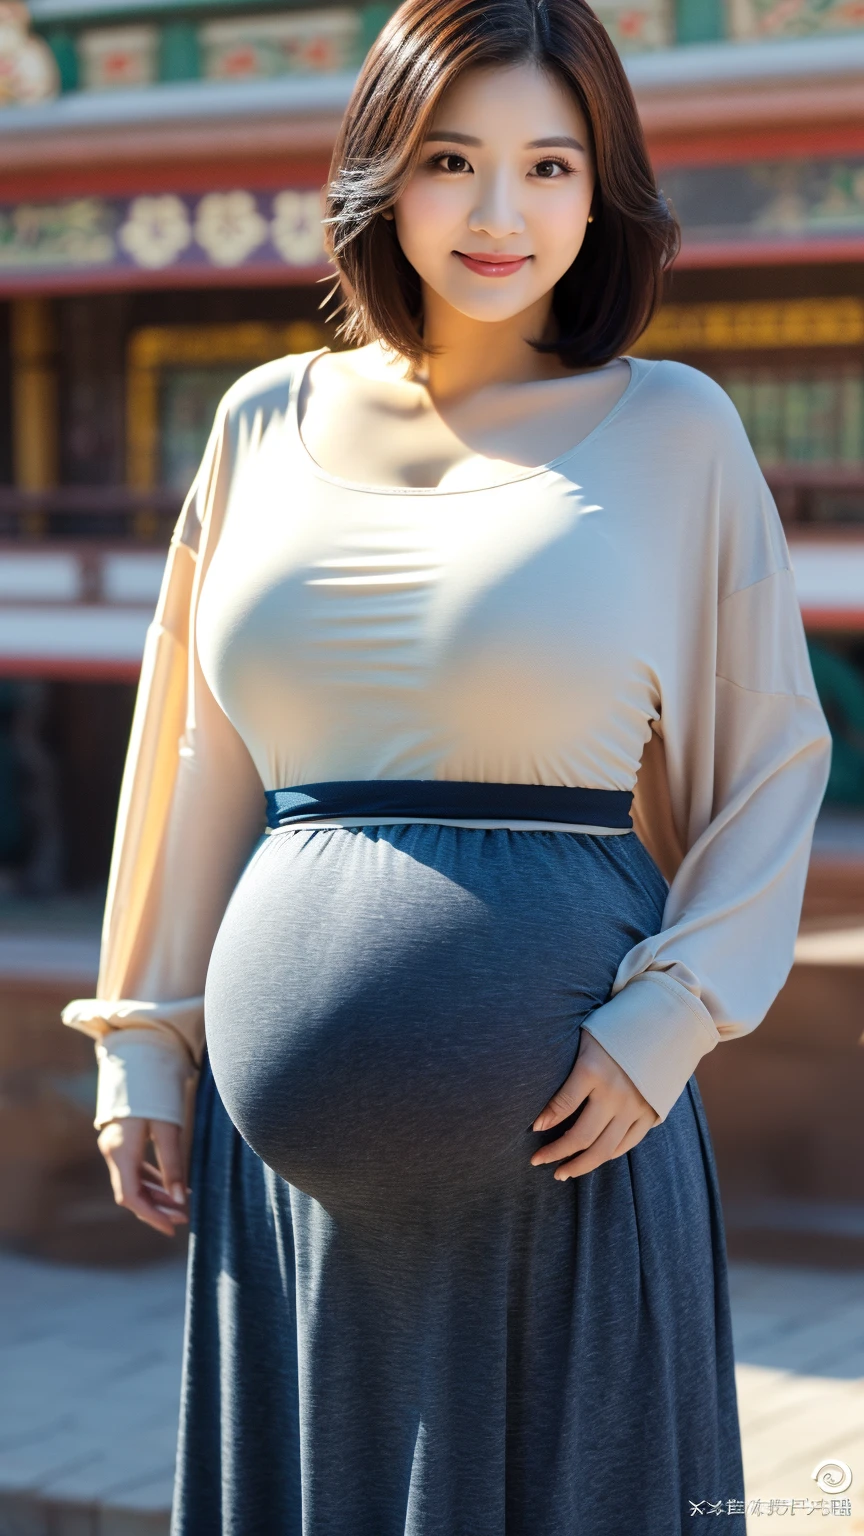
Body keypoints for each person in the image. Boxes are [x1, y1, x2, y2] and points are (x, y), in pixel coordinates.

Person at [62, 0, 831, 1531]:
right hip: (282, 1189)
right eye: (452, 161)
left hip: (570, 1163)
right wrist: (143, 1036)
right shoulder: (259, 422)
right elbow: (196, 747)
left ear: (602, 187)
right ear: (381, 176)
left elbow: (773, 756)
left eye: (551, 166)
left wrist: (669, 1023)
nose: (500, 215)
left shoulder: (674, 429)